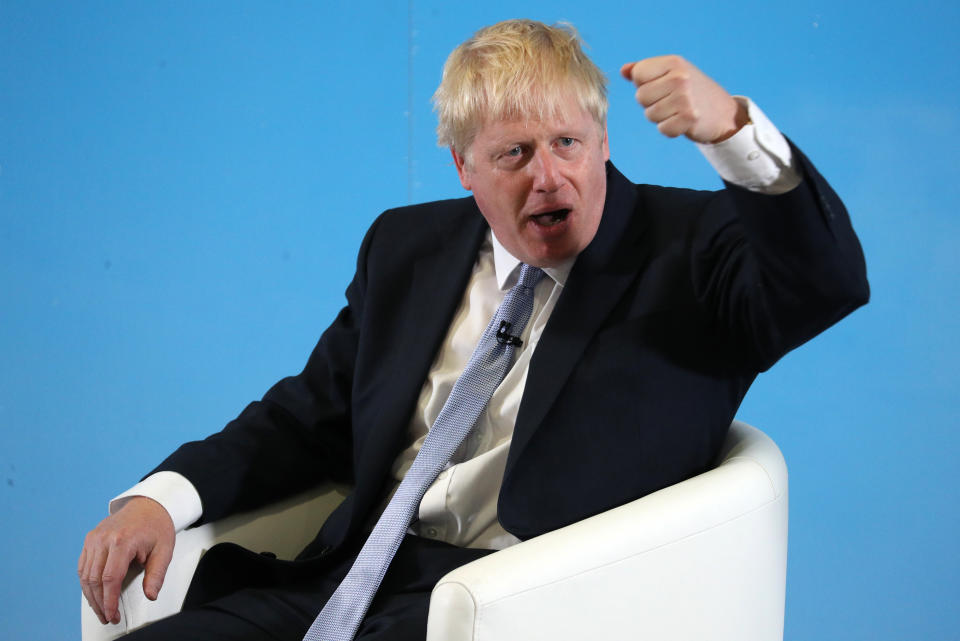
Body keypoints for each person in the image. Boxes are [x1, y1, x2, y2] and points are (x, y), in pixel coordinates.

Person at [79, 18, 868, 640]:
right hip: (355, 579)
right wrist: (161, 498)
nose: (548, 176)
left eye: (567, 143)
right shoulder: (407, 246)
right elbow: (308, 414)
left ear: (603, 140)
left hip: (523, 606)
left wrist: (734, 131)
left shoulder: (690, 249)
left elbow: (824, 283)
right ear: (464, 166)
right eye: (514, 153)